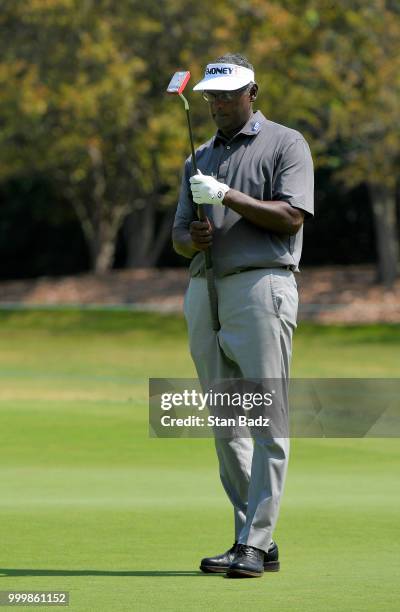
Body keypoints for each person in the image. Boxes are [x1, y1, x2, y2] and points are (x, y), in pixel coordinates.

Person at [172, 53, 314, 578]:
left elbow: (291, 216)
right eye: (212, 95)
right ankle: (251, 538)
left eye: (229, 94)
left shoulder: (286, 143)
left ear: (254, 92)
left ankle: (256, 541)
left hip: (262, 285)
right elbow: (178, 235)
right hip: (204, 289)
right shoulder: (198, 157)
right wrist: (196, 238)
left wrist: (229, 195)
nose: (218, 104)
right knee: (226, 423)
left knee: (267, 419)